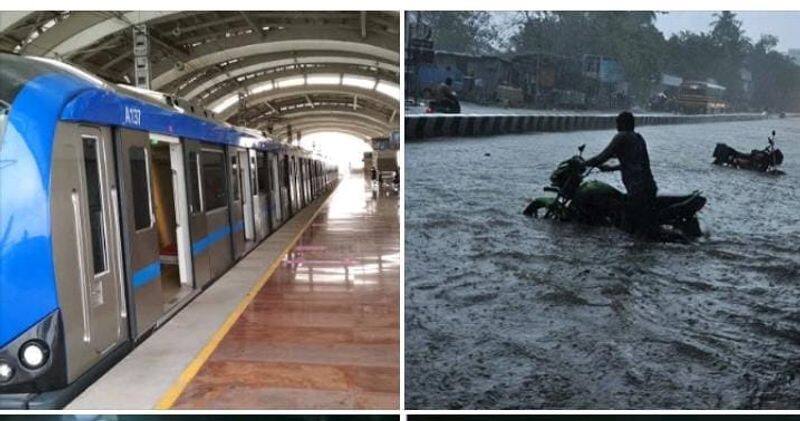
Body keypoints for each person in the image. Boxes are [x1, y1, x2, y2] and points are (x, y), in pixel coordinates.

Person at [584, 111, 658, 238]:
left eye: (618, 123)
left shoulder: (622, 137)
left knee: (629, 228)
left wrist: (584, 164)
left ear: (623, 124)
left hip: (637, 189)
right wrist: (612, 168)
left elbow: (603, 156)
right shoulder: (638, 138)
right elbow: (636, 163)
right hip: (648, 186)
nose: (616, 126)